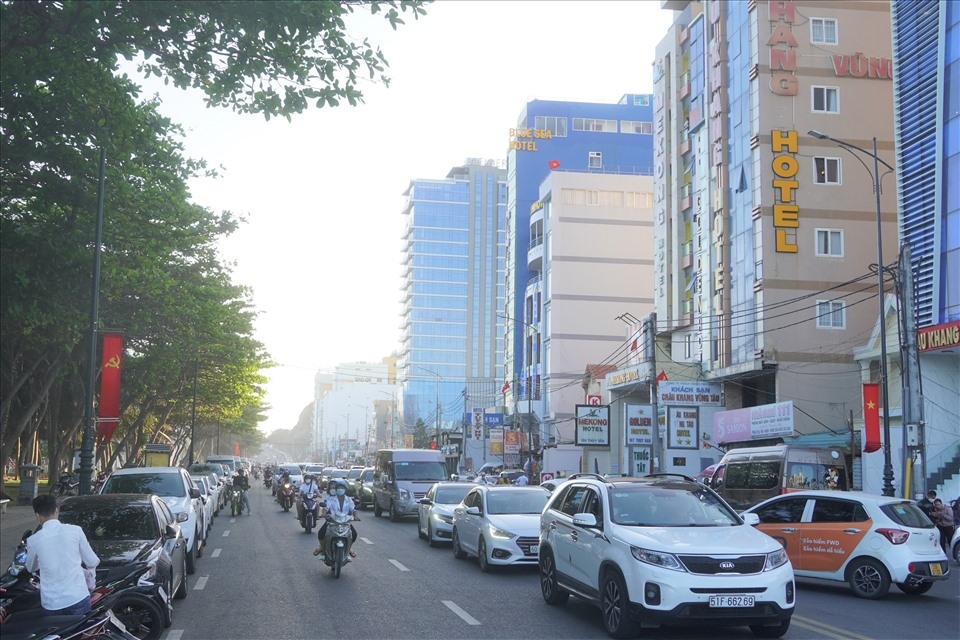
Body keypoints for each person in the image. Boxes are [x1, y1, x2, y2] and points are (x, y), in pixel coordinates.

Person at [25, 494, 100, 616]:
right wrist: (91, 578)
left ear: (37, 515)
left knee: (55, 635)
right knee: (81, 634)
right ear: (57, 510)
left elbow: (31, 568)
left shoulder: (33, 541)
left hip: (52, 604)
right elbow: (92, 561)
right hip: (78, 598)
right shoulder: (75, 530)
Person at [313, 479, 360, 560]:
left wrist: (356, 516)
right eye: (338, 487)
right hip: (332, 521)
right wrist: (323, 513)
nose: (340, 489)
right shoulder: (331, 499)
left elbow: (354, 510)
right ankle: (322, 547)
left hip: (345, 522)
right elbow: (326, 507)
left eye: (342, 487)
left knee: (354, 534)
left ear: (345, 489)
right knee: (321, 533)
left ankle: (348, 549)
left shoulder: (349, 500)